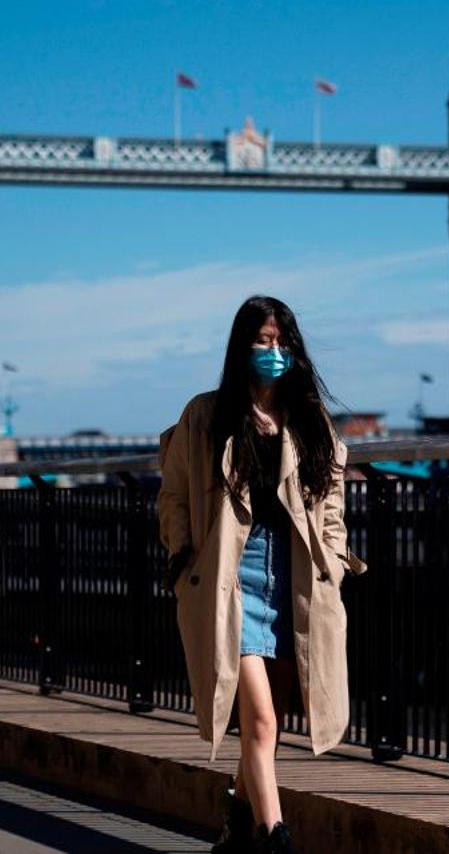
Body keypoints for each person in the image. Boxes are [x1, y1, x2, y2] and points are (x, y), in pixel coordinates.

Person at [157, 296, 366, 854]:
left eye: (281, 342)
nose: (272, 352)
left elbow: (332, 503)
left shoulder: (310, 420)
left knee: (265, 725)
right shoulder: (206, 414)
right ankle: (277, 838)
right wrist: (182, 558)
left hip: (293, 580)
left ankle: (236, 828)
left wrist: (336, 559)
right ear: (241, 346)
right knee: (263, 724)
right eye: (262, 341)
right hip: (231, 580)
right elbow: (173, 493)